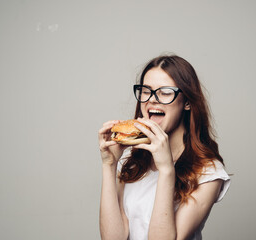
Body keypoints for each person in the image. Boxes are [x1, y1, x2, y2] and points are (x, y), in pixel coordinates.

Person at [98, 55, 230, 240]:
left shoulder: (208, 172)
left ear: (187, 102)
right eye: (146, 91)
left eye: (165, 92)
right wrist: (109, 165)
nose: (152, 100)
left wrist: (167, 169)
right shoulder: (130, 161)